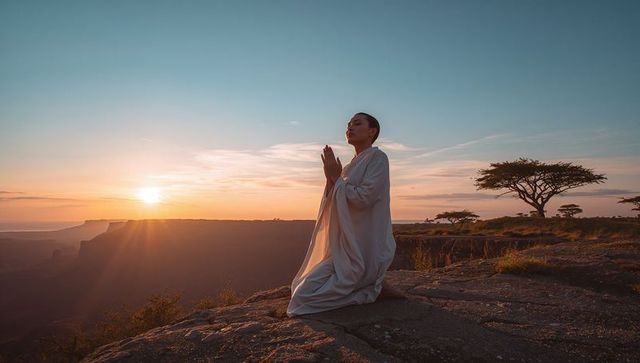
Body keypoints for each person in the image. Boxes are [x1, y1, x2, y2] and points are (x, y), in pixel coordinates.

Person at [287, 112, 406, 318]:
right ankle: (370, 287)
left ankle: (368, 291)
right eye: (348, 124)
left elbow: (364, 198)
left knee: (302, 299)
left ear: (372, 132)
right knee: (298, 287)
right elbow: (335, 200)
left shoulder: (378, 158)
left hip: (363, 251)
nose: (349, 127)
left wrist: (336, 178)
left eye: (357, 123)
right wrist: (331, 179)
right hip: (344, 249)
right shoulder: (350, 166)